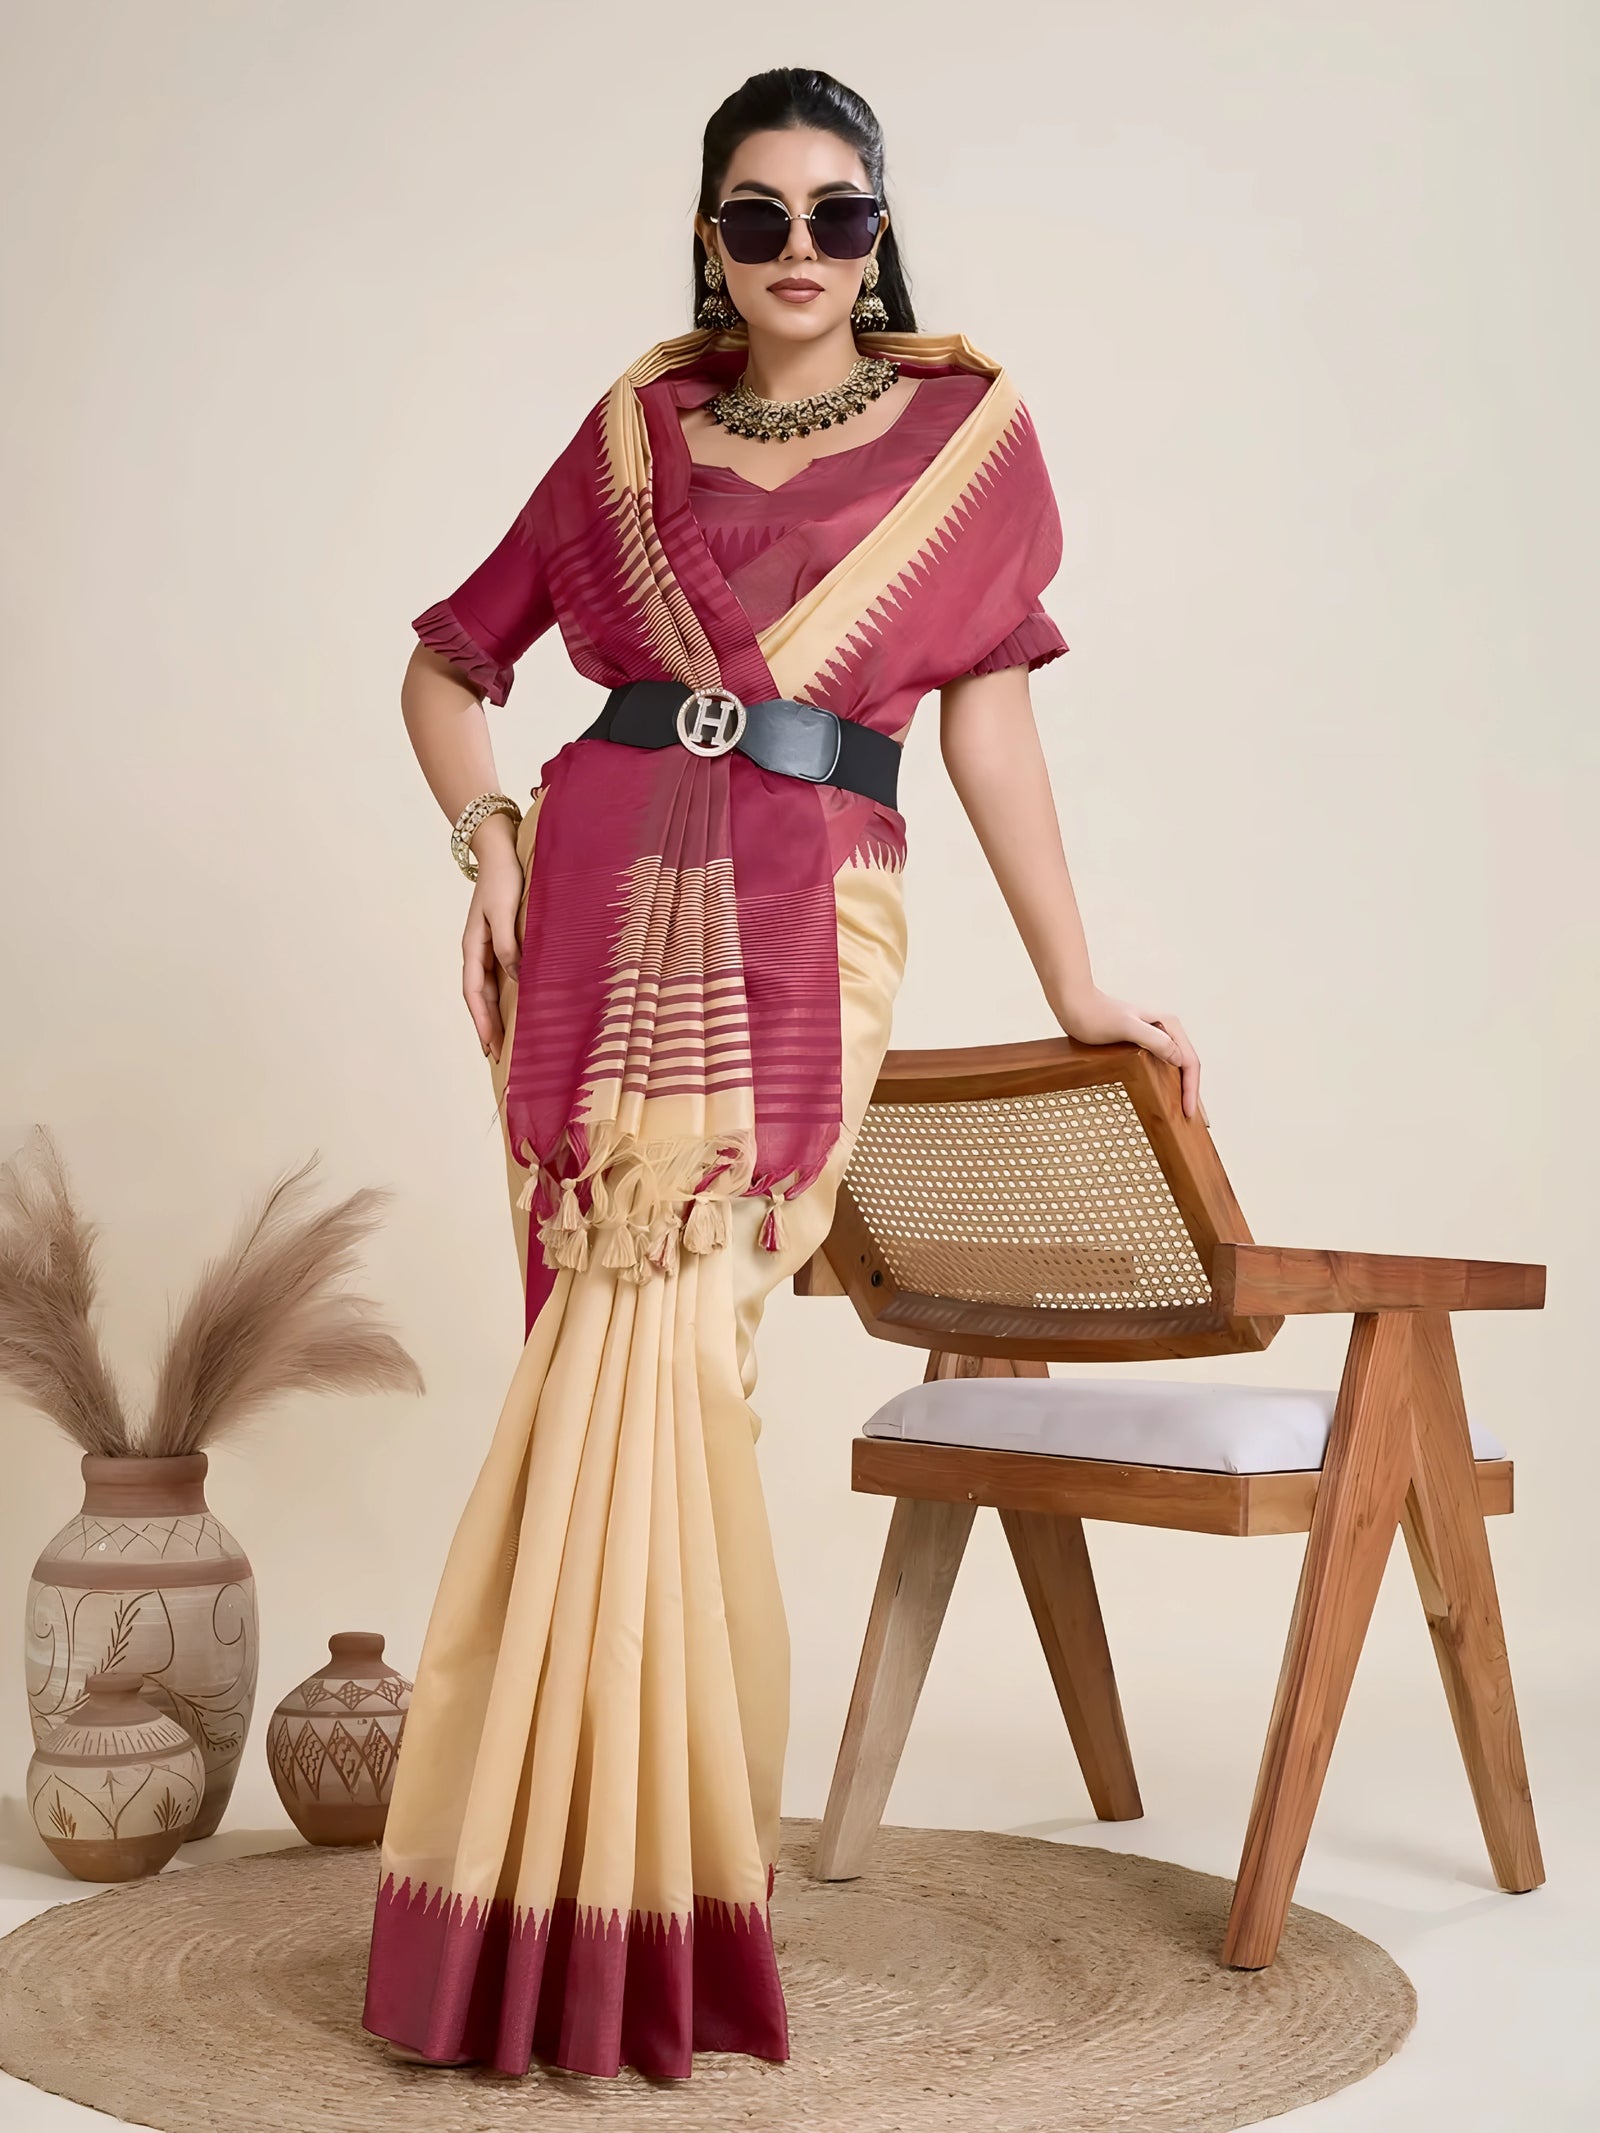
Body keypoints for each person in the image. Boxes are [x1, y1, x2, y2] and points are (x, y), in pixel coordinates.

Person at [360, 65, 1203, 2084]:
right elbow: (450, 660)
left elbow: (990, 728)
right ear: (707, 239)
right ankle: (530, 1902)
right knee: (587, 1363)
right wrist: (481, 834)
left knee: (681, 1368)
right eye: (759, 218)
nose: (802, 254)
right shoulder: (628, 439)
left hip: (806, 915)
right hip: (587, 907)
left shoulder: (963, 444)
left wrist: (1081, 980)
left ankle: (635, 1899)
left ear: (880, 229)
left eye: (838, 215)